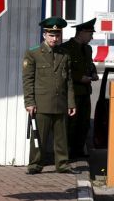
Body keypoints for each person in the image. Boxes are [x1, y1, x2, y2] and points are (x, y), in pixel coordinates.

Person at [22, 16, 78, 174]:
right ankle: (35, 165)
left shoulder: (64, 54)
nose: (55, 38)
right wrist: (29, 102)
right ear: (44, 35)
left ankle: (62, 164)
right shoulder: (33, 53)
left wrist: (71, 103)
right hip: (41, 103)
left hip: (60, 102)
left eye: (58, 35)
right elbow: (28, 80)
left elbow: (68, 81)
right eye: (51, 35)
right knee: (38, 137)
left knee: (61, 138)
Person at [61, 18, 99, 159]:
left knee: (84, 123)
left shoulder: (88, 49)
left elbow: (90, 64)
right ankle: (67, 152)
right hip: (73, 92)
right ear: (81, 32)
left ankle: (78, 150)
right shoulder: (66, 48)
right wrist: (79, 78)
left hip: (85, 92)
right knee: (71, 123)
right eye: (90, 34)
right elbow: (64, 69)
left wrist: (93, 72)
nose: (92, 37)